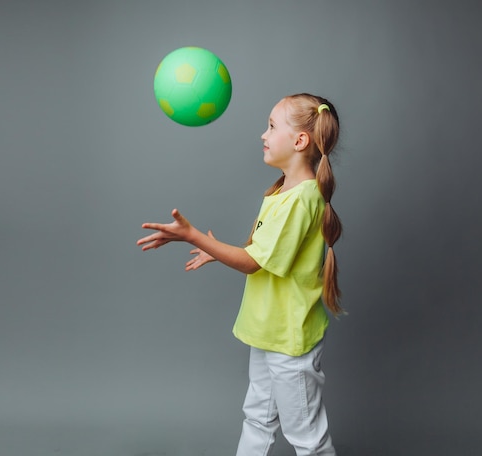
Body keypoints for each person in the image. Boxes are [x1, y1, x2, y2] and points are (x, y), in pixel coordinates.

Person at [137, 93, 343, 456]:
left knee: (306, 436)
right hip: (268, 333)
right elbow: (260, 254)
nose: (263, 135)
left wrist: (193, 234)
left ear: (299, 141)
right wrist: (217, 251)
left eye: (271, 126)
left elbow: (252, 262)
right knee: (258, 419)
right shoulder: (285, 193)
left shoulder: (301, 199)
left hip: (288, 340)